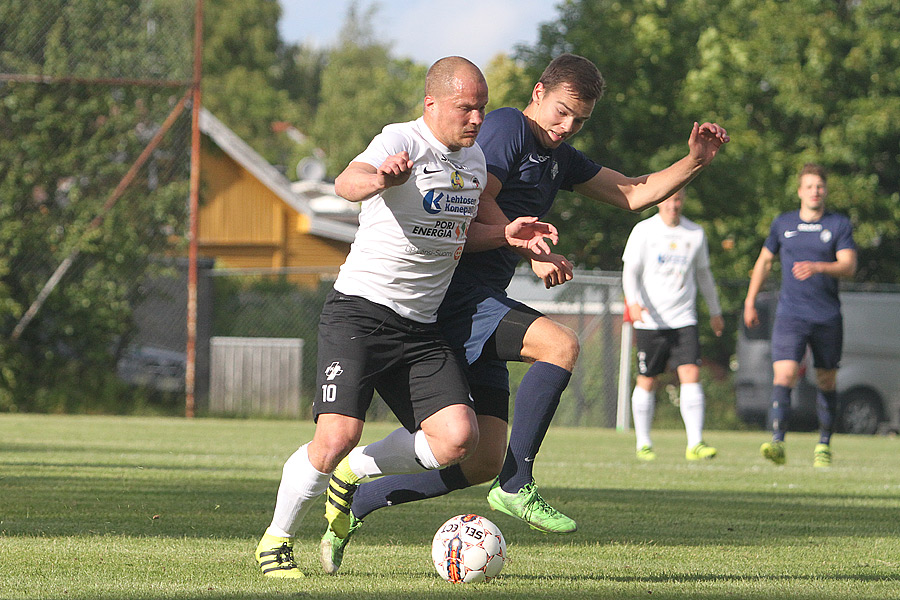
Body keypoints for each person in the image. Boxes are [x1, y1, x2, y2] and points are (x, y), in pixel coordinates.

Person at [320, 53, 729, 574]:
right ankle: (517, 486)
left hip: (482, 299)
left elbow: (632, 193)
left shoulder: (559, 157)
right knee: (560, 344)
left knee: (480, 461)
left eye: (579, 120)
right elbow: (473, 199)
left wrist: (694, 160)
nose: (566, 127)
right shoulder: (509, 127)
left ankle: (361, 499)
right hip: (454, 298)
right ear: (538, 93)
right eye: (561, 112)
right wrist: (529, 245)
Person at [254, 56, 558, 578]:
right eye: (466, 108)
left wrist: (508, 235)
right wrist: (378, 177)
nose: (477, 119)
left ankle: (353, 476)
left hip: (420, 327)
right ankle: (275, 541)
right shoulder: (403, 140)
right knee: (334, 436)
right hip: (360, 313)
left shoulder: (476, 162)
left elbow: (460, 233)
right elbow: (344, 182)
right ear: (432, 103)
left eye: (482, 109)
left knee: (458, 441)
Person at [744, 163, 856, 468]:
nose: (815, 191)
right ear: (799, 191)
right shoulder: (783, 224)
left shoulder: (838, 225)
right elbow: (765, 261)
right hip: (791, 314)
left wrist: (819, 266)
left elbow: (849, 265)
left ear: (825, 190)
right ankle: (777, 442)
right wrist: (750, 300)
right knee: (785, 374)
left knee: (826, 379)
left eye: (819, 186)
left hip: (827, 316)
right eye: (809, 186)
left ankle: (824, 444)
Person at [622, 188, 724, 462]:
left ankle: (696, 442)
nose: (673, 205)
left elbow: (704, 274)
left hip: (684, 319)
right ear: (659, 202)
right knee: (648, 379)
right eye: (668, 199)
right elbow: (630, 270)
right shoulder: (644, 231)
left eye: (678, 199)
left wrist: (715, 311)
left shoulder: (695, 233)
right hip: (650, 321)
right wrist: (632, 303)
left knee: (690, 373)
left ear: (683, 201)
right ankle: (643, 443)